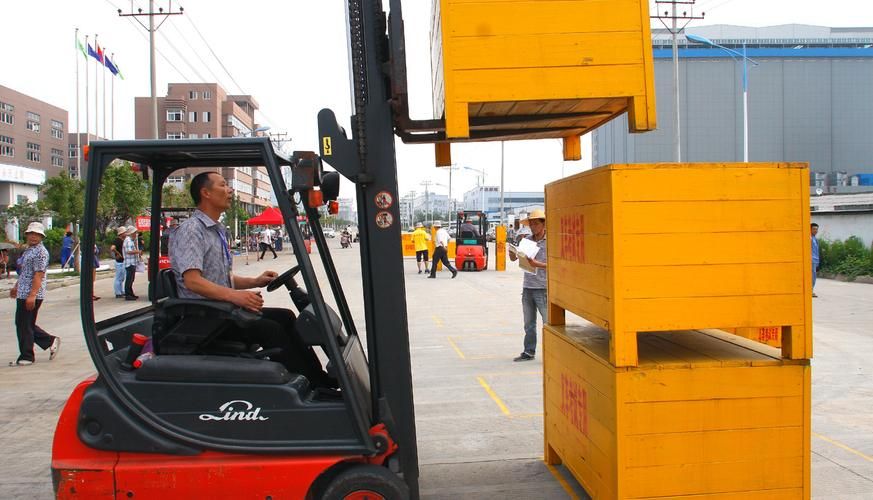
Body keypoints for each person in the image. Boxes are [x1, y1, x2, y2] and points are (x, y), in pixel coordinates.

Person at [170, 171, 330, 385]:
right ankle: (310, 384)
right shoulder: (192, 230)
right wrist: (237, 297)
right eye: (223, 185)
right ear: (206, 192)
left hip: (219, 311)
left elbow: (220, 279)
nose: (230, 190)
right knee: (271, 329)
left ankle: (318, 378)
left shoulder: (214, 230)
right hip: (204, 319)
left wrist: (255, 281)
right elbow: (193, 281)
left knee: (287, 317)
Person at [9, 222, 60, 366]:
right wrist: (16, 287)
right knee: (24, 323)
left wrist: (32, 295)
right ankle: (49, 340)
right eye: (30, 234)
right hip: (23, 291)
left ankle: (27, 356)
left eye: (36, 234)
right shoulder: (28, 250)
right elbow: (25, 273)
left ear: (41, 236)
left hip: (32, 293)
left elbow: (38, 275)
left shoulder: (41, 252)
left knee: (24, 324)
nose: (33, 236)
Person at [510, 208, 547, 362]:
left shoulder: (551, 242)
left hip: (543, 288)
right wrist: (513, 254)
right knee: (529, 324)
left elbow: (556, 264)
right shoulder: (527, 241)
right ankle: (529, 351)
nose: (533, 227)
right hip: (528, 287)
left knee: (548, 324)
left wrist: (536, 263)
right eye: (531, 224)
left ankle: (553, 353)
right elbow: (516, 260)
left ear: (543, 224)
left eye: (536, 223)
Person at [122, 227, 141, 301]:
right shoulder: (128, 241)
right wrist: (137, 252)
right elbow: (128, 251)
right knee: (129, 279)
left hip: (132, 262)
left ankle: (130, 293)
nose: (135, 234)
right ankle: (128, 294)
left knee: (131, 279)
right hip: (129, 263)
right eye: (135, 233)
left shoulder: (131, 240)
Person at [110, 226, 127, 299]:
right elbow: (112, 248)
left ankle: (121, 291)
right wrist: (118, 254)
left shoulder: (122, 240)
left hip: (122, 260)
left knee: (121, 277)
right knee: (119, 277)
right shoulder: (118, 240)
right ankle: (118, 292)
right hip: (119, 261)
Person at [811, 222, 820, 298]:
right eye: (814, 229)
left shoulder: (815, 239)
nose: (815, 230)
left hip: (815, 260)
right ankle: (810, 291)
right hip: (811, 260)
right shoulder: (809, 238)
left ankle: (811, 290)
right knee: (812, 276)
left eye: (816, 229)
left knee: (813, 276)